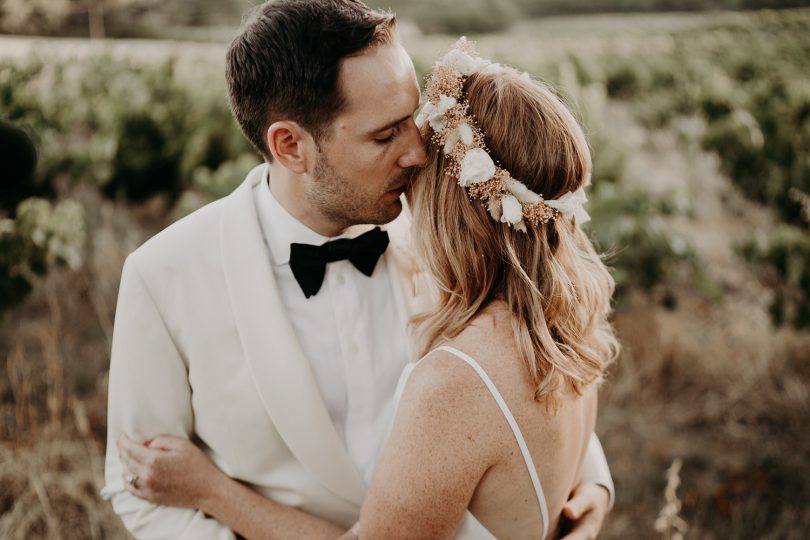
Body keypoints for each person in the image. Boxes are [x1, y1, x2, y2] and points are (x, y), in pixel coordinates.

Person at [104, 1, 616, 538]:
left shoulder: (447, 241)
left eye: (413, 120)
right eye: (385, 134)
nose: (420, 151)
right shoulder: (163, 277)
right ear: (290, 145)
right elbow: (136, 483)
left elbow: (518, 376)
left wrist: (587, 482)